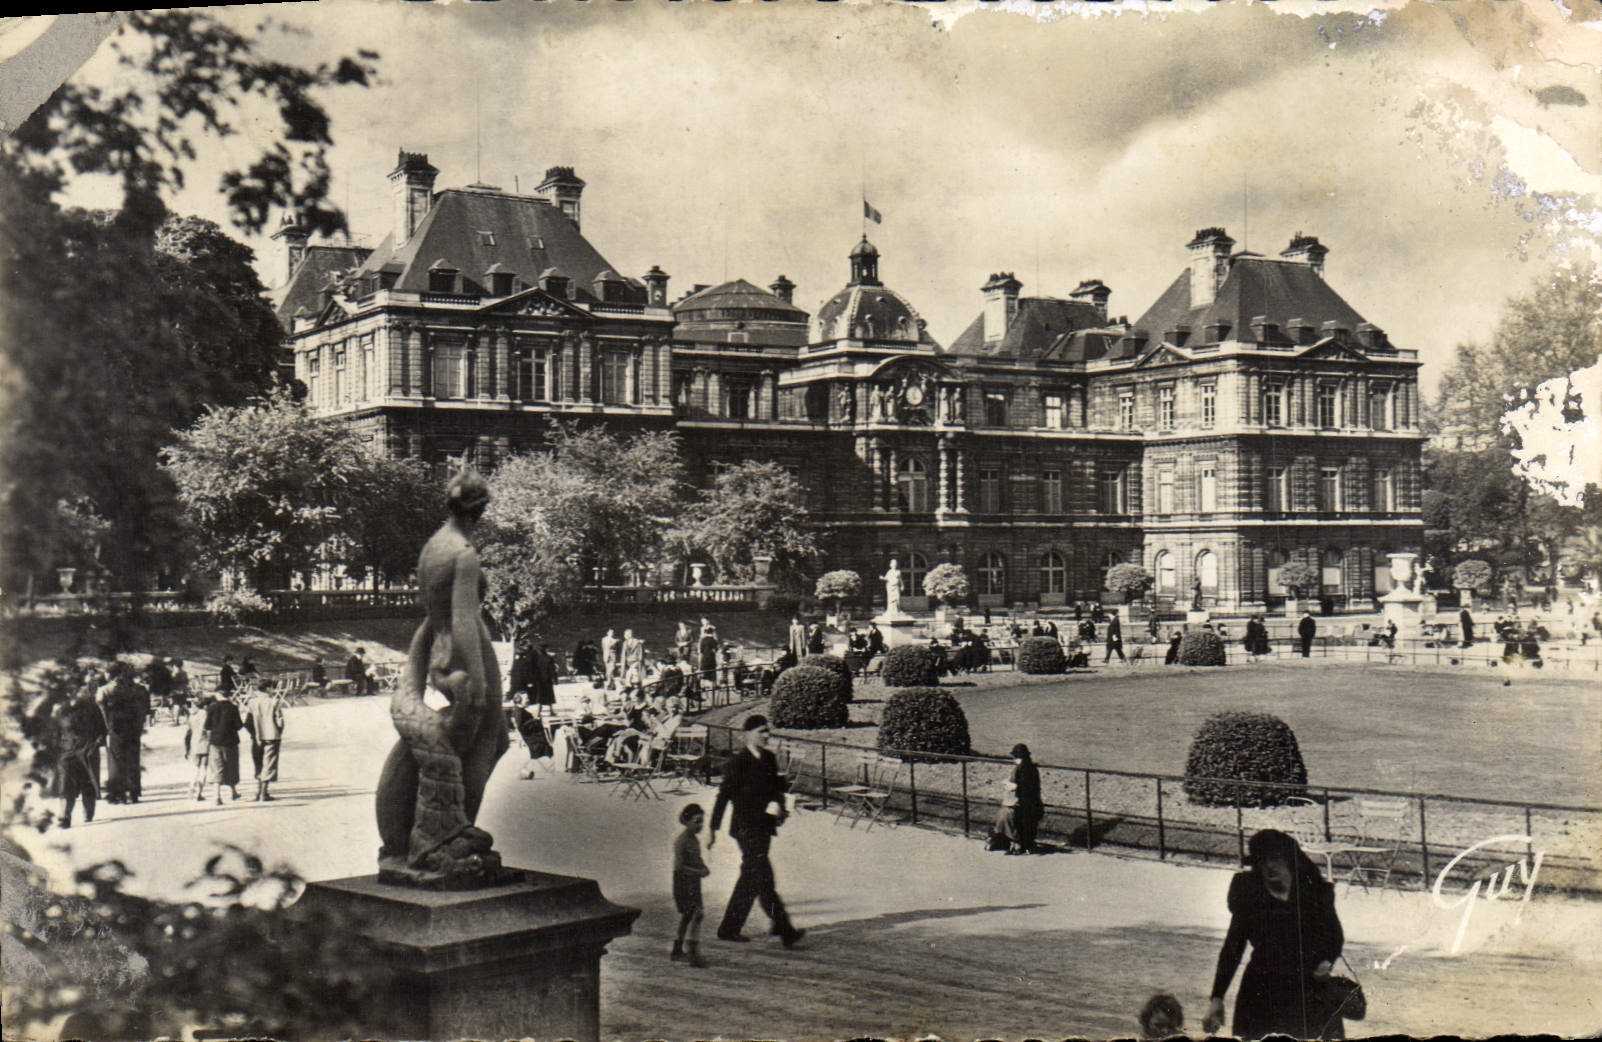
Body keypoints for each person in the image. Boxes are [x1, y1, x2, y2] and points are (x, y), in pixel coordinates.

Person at [1203, 829, 1347, 1040]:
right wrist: (1217, 998)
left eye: (1275, 859)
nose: (1269, 866)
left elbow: (1334, 936)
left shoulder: (1314, 892)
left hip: (1308, 988)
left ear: (1290, 860)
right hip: (1262, 990)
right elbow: (1233, 947)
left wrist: (1326, 960)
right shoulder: (1249, 892)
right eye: (1262, 860)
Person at [709, 714, 804, 948]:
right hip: (745, 828)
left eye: (767, 731)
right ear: (748, 734)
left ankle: (731, 927)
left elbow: (777, 788)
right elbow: (724, 796)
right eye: (761, 731)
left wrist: (782, 806)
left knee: (754, 877)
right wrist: (713, 827)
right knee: (761, 875)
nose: (766, 735)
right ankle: (784, 929)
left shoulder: (769, 758)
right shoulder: (738, 762)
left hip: (764, 826)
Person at [50, 677, 107, 828]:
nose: (75, 694)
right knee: (66, 784)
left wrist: (96, 744)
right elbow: (54, 732)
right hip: (67, 751)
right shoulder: (61, 710)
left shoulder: (92, 708)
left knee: (87, 784)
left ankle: (88, 812)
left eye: (80, 691)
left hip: (88, 749)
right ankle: (64, 816)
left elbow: (102, 730)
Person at [99, 663, 148, 805]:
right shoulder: (138, 689)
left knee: (116, 761)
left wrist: (106, 730)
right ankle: (134, 792)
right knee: (133, 759)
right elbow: (144, 710)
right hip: (134, 729)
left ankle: (119, 794)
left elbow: (102, 713)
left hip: (115, 731)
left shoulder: (105, 690)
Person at [672, 803, 712, 967]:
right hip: (683, 882)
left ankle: (679, 949)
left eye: (702, 821)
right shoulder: (681, 841)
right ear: (687, 821)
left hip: (693, 882)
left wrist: (703, 867)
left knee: (690, 916)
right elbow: (680, 867)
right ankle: (691, 951)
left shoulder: (694, 840)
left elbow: (697, 858)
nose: (700, 825)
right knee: (695, 914)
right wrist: (698, 872)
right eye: (697, 821)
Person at [988, 743, 1043, 855]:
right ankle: (1013, 842)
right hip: (1029, 804)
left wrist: (1013, 786)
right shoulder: (1028, 767)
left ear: (1016, 757)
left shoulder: (1022, 769)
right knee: (1005, 813)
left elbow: (1024, 788)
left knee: (1006, 814)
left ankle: (1014, 842)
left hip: (1025, 806)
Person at [202, 684, 245, 804]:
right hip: (231, 742)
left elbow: (207, 726)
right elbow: (239, 726)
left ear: (217, 694)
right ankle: (233, 792)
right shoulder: (233, 707)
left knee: (217, 768)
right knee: (231, 766)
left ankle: (217, 796)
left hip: (215, 742)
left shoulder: (211, 708)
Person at [244, 682, 286, 801]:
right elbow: (280, 721)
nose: (273, 690)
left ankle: (258, 792)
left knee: (259, 763)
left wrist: (255, 734)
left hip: (257, 737)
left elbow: (247, 723)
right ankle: (264, 792)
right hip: (272, 736)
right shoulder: (274, 702)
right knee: (269, 764)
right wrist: (279, 731)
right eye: (273, 688)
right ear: (268, 689)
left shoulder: (251, 702)